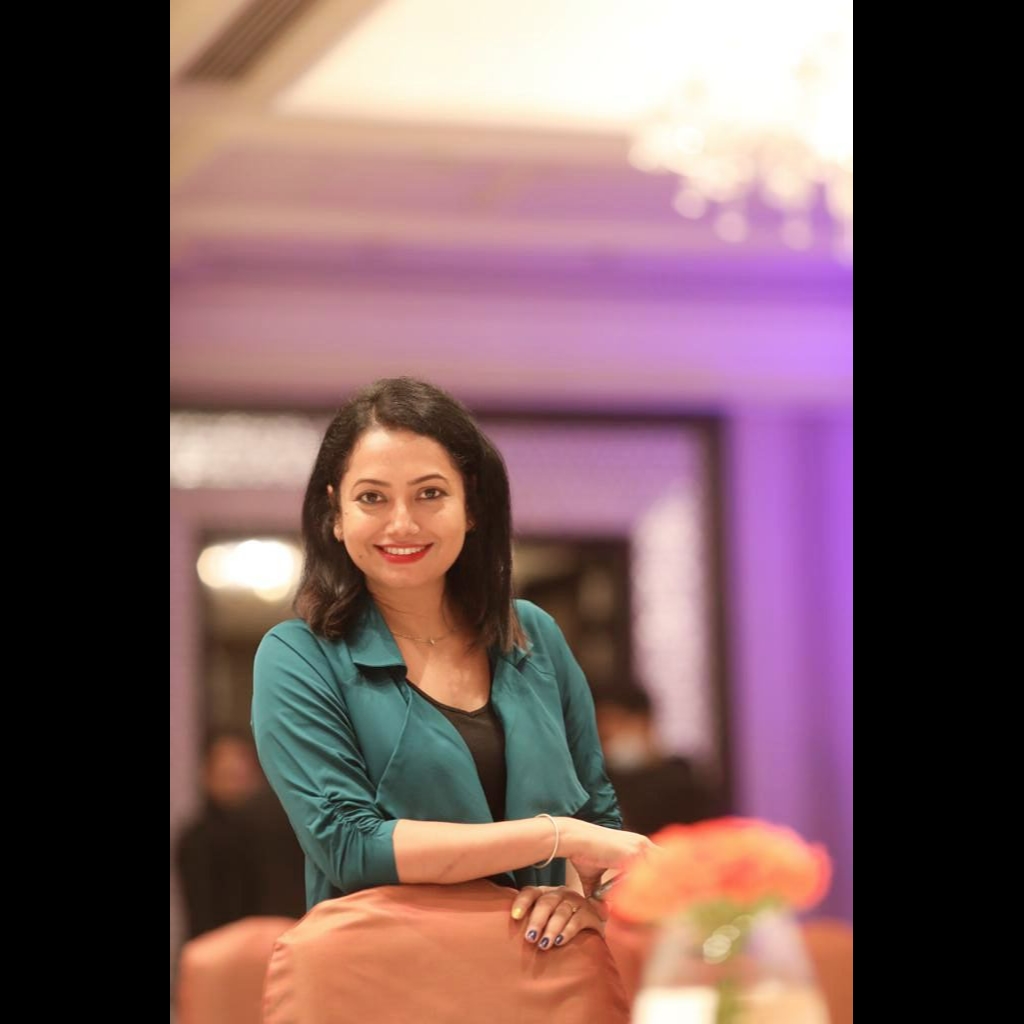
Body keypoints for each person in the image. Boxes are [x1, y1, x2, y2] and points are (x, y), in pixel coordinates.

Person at [252, 377, 654, 956]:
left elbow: (601, 822)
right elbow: (350, 847)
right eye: (372, 498)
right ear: (335, 513)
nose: (402, 523)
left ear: (472, 508)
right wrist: (555, 836)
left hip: (542, 977)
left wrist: (592, 903)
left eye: (430, 493)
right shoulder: (299, 656)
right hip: (387, 976)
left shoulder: (532, 634)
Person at [594, 685, 722, 836]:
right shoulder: (601, 783)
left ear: (644, 721)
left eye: (617, 726)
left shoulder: (685, 781)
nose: (609, 738)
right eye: (604, 735)